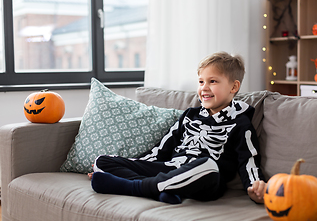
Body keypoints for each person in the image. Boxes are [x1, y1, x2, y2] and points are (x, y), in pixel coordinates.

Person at [89, 51, 266, 204]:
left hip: (205, 177)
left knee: (208, 165)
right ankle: (163, 191)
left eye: (212, 81)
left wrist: (255, 185)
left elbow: (249, 161)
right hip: (171, 168)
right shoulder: (190, 115)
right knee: (102, 161)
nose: (204, 88)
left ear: (234, 87)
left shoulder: (241, 124)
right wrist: (127, 165)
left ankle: (135, 187)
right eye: (201, 82)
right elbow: (160, 150)